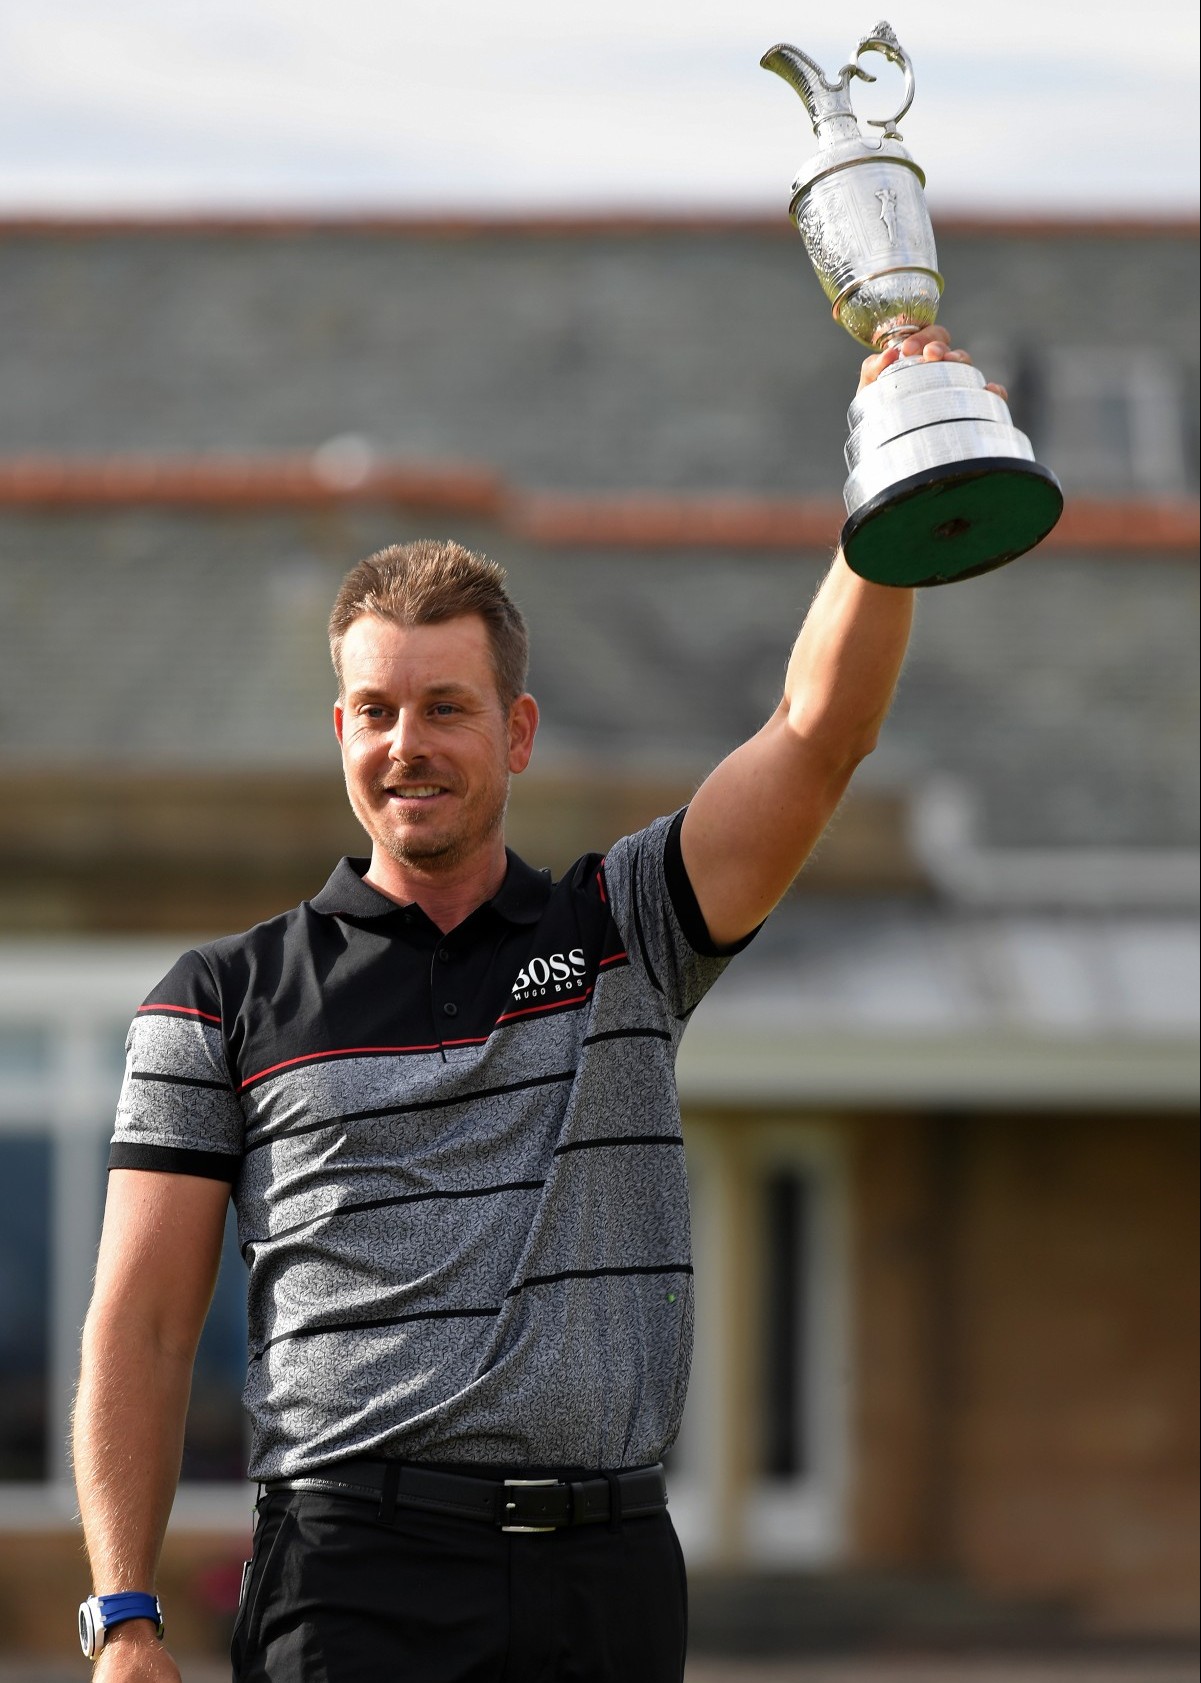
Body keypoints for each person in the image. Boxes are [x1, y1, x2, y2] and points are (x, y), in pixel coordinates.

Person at [73, 326, 998, 1682]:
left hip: (602, 1580)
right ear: (340, 730)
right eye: (376, 710)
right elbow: (142, 1323)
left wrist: (891, 477)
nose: (407, 745)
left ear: (514, 730)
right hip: (351, 1578)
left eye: (445, 709)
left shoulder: (624, 929)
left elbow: (817, 733)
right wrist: (121, 1610)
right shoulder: (217, 1000)